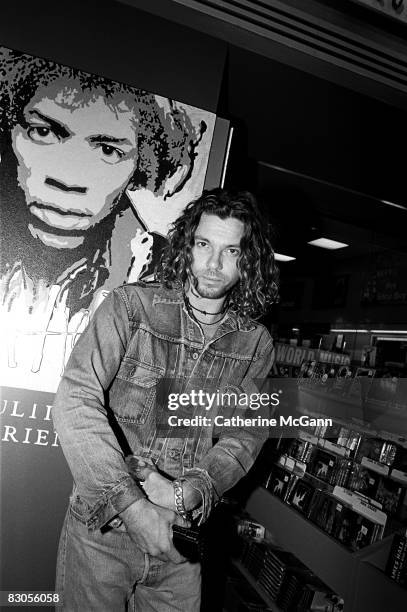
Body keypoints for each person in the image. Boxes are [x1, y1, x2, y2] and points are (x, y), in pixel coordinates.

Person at [52, 188, 279, 611]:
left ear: (249, 260)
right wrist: (134, 508)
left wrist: (198, 486)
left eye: (232, 251)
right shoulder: (131, 307)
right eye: (204, 244)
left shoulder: (255, 344)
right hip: (106, 528)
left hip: (182, 538)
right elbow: (74, 400)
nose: (213, 264)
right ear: (186, 246)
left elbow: (245, 433)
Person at [0, 47, 205, 388]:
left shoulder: (160, 277)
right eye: (44, 132)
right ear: (9, 131)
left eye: (109, 151)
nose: (68, 179)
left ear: (141, 165)